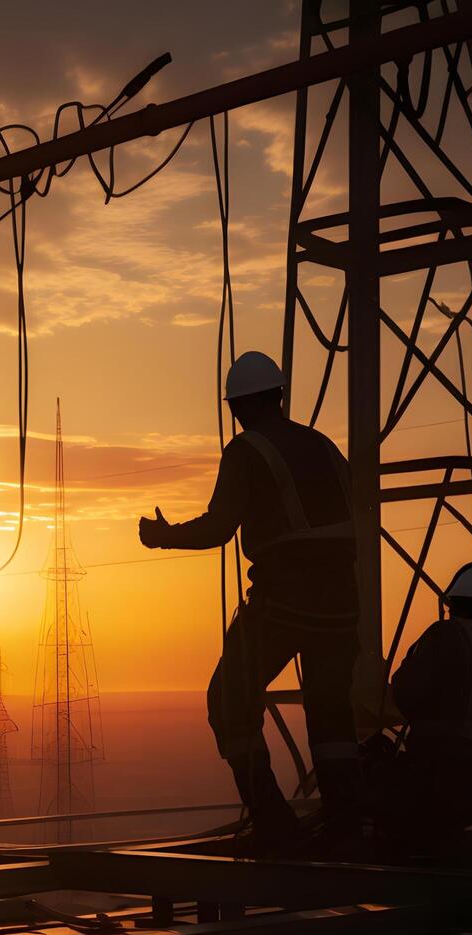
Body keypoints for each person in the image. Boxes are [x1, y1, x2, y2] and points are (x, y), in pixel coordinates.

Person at [137, 351, 362, 852]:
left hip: (286, 600)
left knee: (230, 700)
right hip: (343, 605)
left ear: (237, 406)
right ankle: (348, 822)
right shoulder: (323, 445)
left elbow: (221, 526)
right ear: (279, 396)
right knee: (331, 713)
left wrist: (164, 536)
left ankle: (274, 823)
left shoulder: (246, 450)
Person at [372, 563, 472, 855]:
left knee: (366, 763)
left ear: (455, 603)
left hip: (433, 783)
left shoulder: (448, 635)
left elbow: (405, 692)